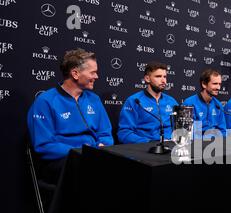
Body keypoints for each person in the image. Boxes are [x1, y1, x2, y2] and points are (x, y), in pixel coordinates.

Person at [27, 48, 113, 184]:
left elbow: (105, 133)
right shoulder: (46, 101)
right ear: (75, 73)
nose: (96, 77)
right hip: (62, 162)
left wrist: (102, 146)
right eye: (93, 72)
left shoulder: (94, 99)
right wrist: (80, 152)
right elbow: (44, 146)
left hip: (92, 157)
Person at [118, 62, 178, 144]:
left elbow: (180, 129)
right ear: (147, 78)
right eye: (158, 76)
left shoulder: (171, 101)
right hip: (146, 148)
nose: (163, 80)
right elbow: (124, 133)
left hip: (170, 146)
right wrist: (148, 143)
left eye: (165, 77)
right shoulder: (134, 101)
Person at [183, 69, 227, 137]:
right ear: (204, 84)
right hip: (196, 145)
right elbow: (188, 133)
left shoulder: (218, 105)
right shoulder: (189, 104)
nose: (218, 87)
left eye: (219, 84)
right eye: (215, 84)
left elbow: (223, 131)